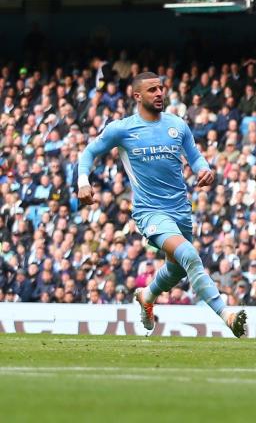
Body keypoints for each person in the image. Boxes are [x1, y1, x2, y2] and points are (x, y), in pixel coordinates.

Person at [77, 72, 247, 338]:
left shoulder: (177, 125)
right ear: (137, 96)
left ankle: (147, 295)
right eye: (152, 90)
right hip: (149, 211)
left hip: (180, 209)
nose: (159, 93)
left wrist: (205, 170)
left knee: (178, 268)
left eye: (161, 88)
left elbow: (195, 156)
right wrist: (82, 181)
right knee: (190, 255)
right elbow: (89, 152)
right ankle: (226, 314)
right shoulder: (121, 129)